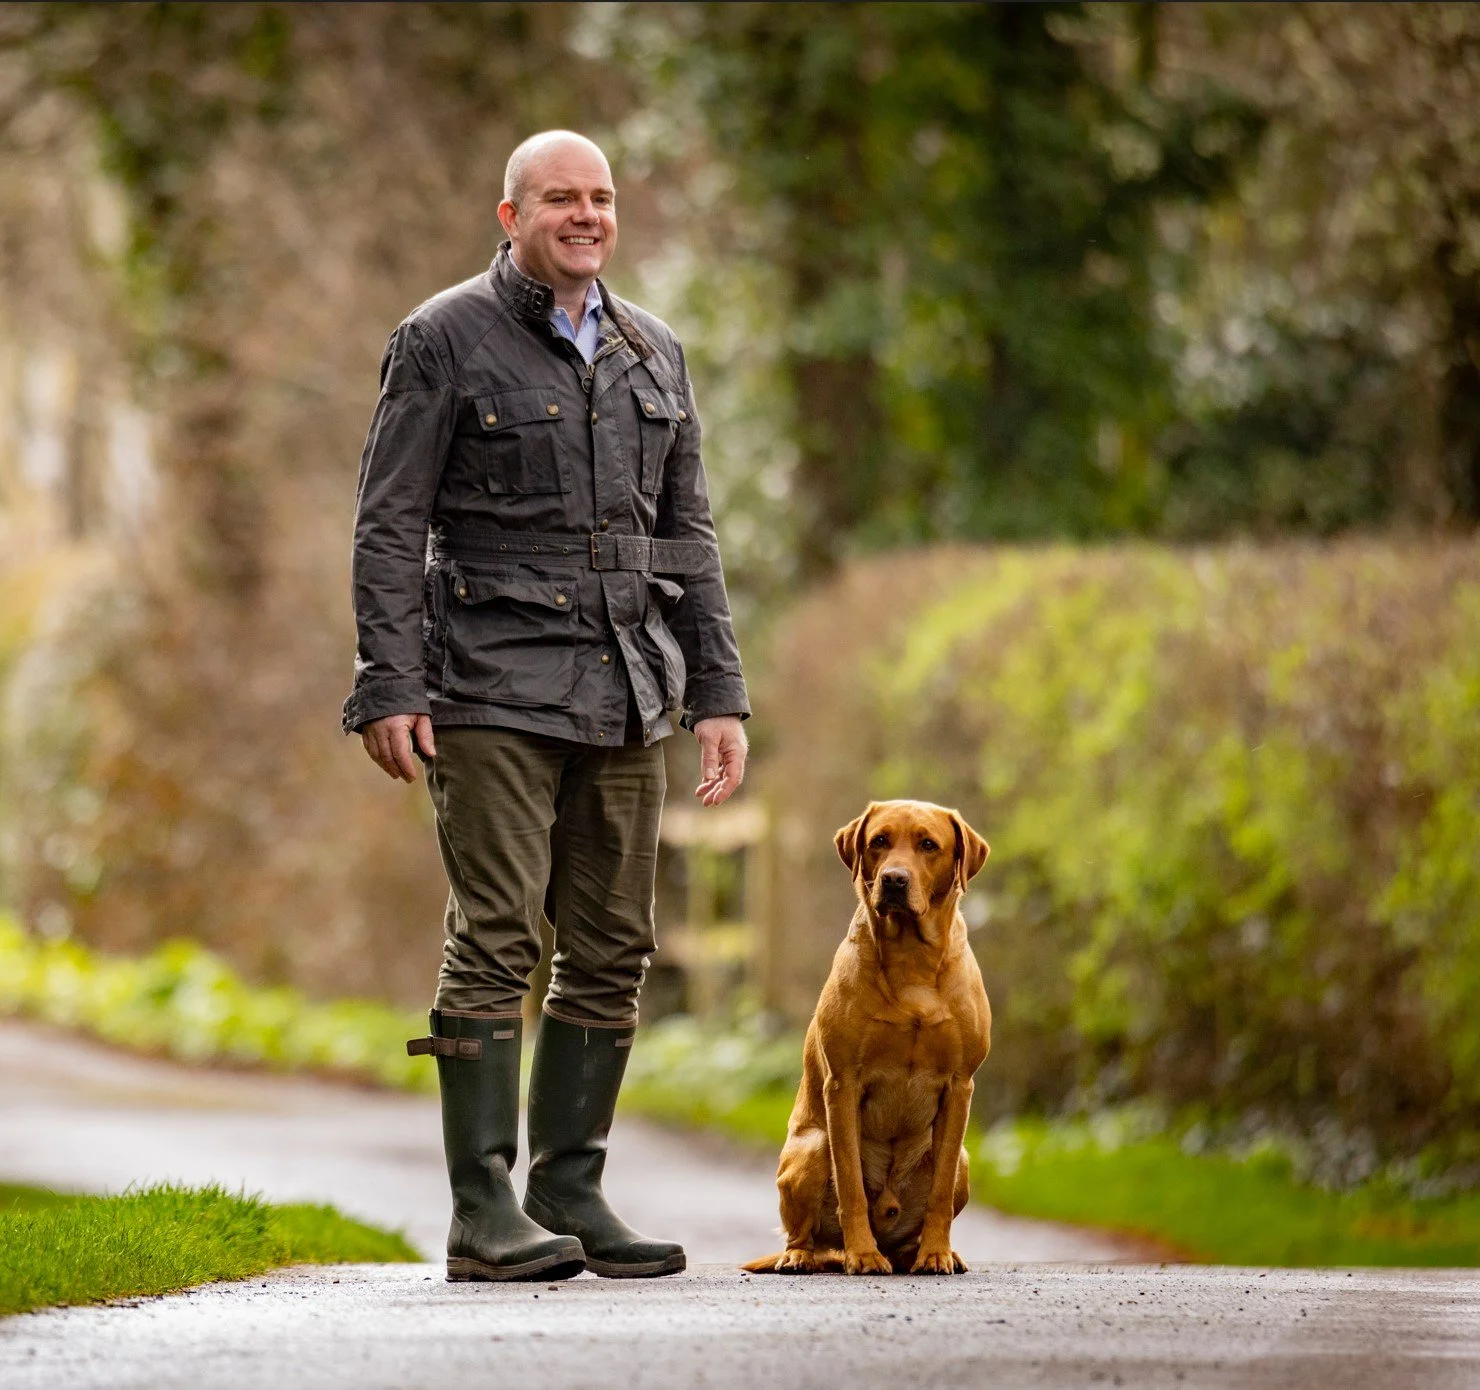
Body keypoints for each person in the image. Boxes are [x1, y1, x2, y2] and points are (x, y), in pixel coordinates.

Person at [342, 130, 750, 1282]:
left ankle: (569, 1193)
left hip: (628, 687)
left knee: (615, 945)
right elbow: (386, 522)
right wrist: (390, 679)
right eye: (561, 198)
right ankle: (483, 1213)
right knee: (498, 939)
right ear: (509, 213)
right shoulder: (440, 338)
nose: (587, 215)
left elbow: (691, 537)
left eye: (602, 197)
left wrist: (718, 691)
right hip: (486, 682)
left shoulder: (651, 348)